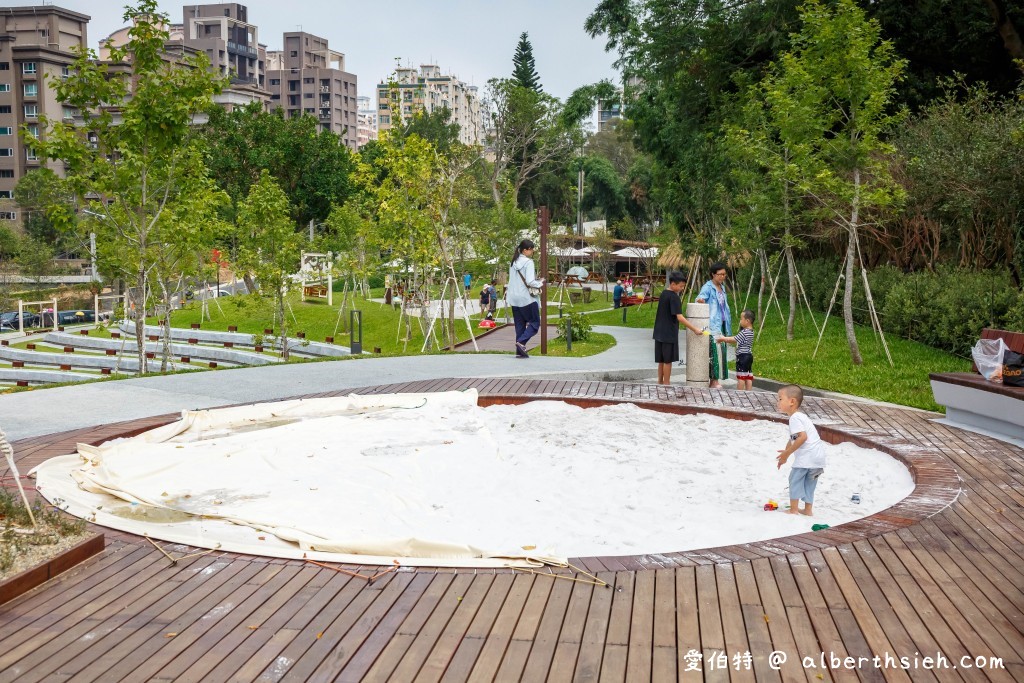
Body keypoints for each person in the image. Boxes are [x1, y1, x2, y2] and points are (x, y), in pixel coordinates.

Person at [775, 384, 827, 516]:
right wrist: (785, 454)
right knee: (810, 483)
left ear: (792, 401)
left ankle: (793, 509)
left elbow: (802, 437)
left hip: (807, 459)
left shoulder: (794, 418)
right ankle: (808, 510)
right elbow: (793, 438)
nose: (778, 402)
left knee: (795, 479)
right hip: (818, 459)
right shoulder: (801, 417)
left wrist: (787, 453)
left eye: (780, 399)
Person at [653, 271, 706, 385]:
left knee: (661, 360)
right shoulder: (674, 297)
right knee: (668, 361)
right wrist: (695, 329)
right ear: (673, 284)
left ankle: (660, 382)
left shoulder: (663, 294)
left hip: (659, 332)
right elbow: (680, 317)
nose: (682, 288)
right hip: (669, 334)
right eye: (681, 286)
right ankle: (667, 384)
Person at [695, 262, 731, 389]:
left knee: (722, 351)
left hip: (722, 324)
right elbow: (700, 298)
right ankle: (713, 381)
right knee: (714, 352)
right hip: (712, 325)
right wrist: (701, 300)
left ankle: (716, 380)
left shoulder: (722, 287)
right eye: (720, 274)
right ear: (713, 274)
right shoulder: (708, 287)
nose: (722, 277)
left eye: (724, 274)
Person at [508, 239, 544, 358]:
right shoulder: (528, 262)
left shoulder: (513, 262)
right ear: (525, 250)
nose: (532, 251)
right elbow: (529, 281)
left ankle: (520, 351)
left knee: (519, 325)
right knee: (534, 323)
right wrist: (540, 283)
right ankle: (521, 342)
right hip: (526, 298)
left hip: (514, 298)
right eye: (531, 249)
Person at [716, 309, 755, 390]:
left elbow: (734, 339)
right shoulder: (751, 331)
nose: (740, 321)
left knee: (741, 377)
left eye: (741, 319)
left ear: (747, 321)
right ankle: (749, 393)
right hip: (749, 356)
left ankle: (739, 394)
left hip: (743, 357)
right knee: (748, 376)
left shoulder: (744, 332)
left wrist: (723, 338)